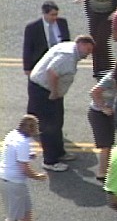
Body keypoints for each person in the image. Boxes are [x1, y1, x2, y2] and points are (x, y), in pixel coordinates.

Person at [29, 35, 96, 172]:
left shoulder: (69, 47)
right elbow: (52, 72)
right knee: (48, 126)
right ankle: (50, 160)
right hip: (45, 91)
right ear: (81, 44)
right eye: (88, 49)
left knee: (57, 122)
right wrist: (54, 92)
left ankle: (59, 152)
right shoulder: (68, 57)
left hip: (50, 91)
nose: (88, 54)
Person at [0, 115, 48, 221]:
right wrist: (38, 176)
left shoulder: (12, 134)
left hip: (10, 179)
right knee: (13, 217)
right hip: (13, 183)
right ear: (31, 129)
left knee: (26, 210)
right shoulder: (23, 143)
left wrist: (29, 155)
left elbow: (16, 156)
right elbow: (24, 169)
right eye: (35, 128)